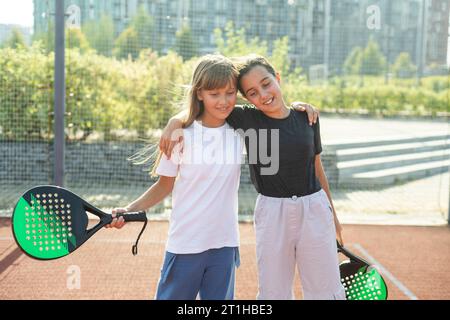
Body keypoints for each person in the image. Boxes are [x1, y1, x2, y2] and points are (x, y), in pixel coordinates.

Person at [160, 54, 345, 300]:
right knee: (273, 294)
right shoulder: (246, 119)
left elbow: (318, 169)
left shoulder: (307, 118)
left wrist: (333, 216)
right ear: (247, 99)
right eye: (253, 93)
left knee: (325, 291)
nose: (263, 94)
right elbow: (208, 104)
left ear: (278, 78)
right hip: (272, 211)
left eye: (266, 84)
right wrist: (175, 121)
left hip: (314, 208)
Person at [106, 54, 243, 300]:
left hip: (224, 244)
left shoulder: (241, 130)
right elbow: (163, 185)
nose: (224, 101)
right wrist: (128, 209)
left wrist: (301, 107)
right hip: (186, 243)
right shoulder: (180, 135)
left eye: (230, 92)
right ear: (199, 93)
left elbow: (273, 110)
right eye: (215, 94)